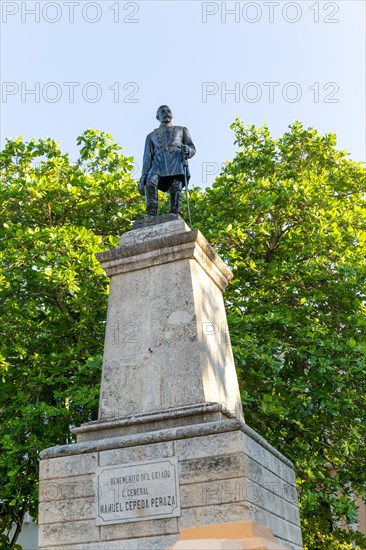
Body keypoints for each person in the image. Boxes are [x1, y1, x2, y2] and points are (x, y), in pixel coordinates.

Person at [138, 105, 196, 216]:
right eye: (162, 111)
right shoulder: (151, 136)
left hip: (176, 161)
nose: (166, 113)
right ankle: (151, 213)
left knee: (176, 186)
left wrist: (187, 150)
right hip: (158, 163)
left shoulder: (182, 130)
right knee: (151, 181)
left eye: (168, 111)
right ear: (157, 117)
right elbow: (147, 158)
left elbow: (192, 149)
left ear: (172, 114)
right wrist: (143, 178)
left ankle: (175, 213)